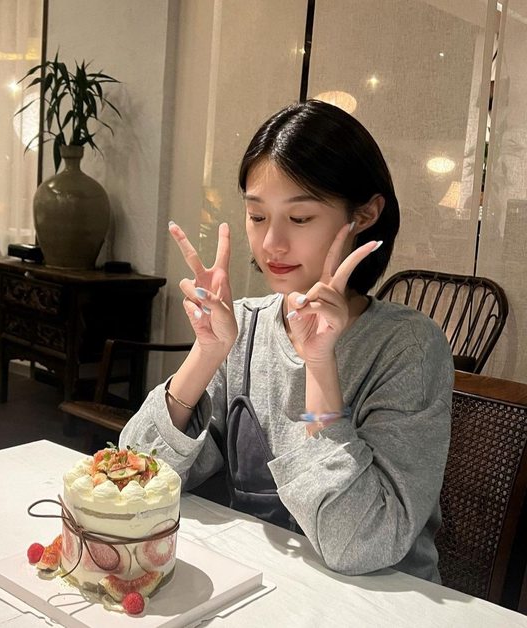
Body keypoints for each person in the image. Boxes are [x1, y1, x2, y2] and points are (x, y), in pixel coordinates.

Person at [119, 99, 453, 583]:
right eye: (257, 217)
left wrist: (319, 367)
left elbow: (360, 543)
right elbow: (136, 480)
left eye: (299, 219)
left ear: (364, 214)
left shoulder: (407, 347)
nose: (271, 244)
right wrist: (206, 354)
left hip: (378, 600)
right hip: (267, 586)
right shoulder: (244, 327)